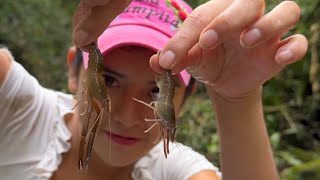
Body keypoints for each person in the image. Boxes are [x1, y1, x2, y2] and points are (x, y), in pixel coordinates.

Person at [0, 0, 308, 180]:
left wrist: (237, 100)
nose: (127, 116)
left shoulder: (176, 169)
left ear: (185, 98)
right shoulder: (17, 107)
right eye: (108, 80)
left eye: (156, 92)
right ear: (73, 69)